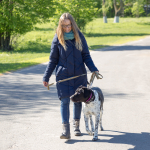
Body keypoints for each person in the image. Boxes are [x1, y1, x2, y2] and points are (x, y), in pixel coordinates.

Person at [43, 13, 98, 139]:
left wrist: (93, 69)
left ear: (72, 24)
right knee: (65, 101)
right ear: (60, 26)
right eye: (64, 26)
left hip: (79, 75)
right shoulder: (57, 38)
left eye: (69, 25)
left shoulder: (80, 36)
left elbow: (86, 56)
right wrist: (46, 77)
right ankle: (65, 130)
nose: (67, 28)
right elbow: (52, 60)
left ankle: (76, 127)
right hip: (63, 76)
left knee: (78, 101)